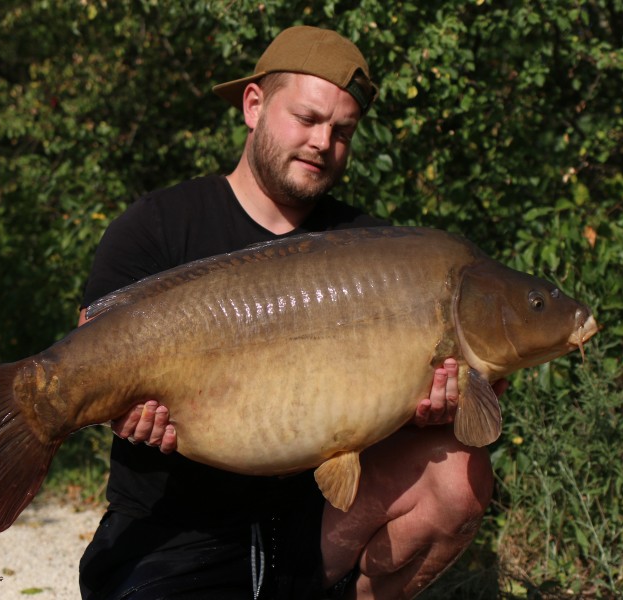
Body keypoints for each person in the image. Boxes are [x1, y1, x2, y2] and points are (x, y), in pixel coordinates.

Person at [77, 25, 497, 600]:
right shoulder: (158, 228)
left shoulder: (372, 249)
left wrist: (428, 409)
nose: (323, 143)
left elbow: (437, 398)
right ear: (254, 105)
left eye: (342, 130)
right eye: (307, 118)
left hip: (315, 520)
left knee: (459, 477)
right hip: (176, 528)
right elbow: (90, 352)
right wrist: (116, 407)